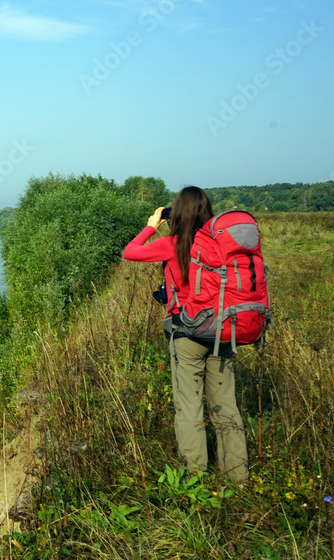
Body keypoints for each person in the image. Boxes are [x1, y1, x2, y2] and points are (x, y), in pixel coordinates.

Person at [122, 186, 248, 482]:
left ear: (176, 213)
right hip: (222, 331)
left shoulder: (174, 243)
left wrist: (151, 227)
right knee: (226, 406)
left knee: (190, 406)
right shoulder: (221, 244)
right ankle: (238, 478)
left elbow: (130, 252)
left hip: (188, 334)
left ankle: (195, 479)